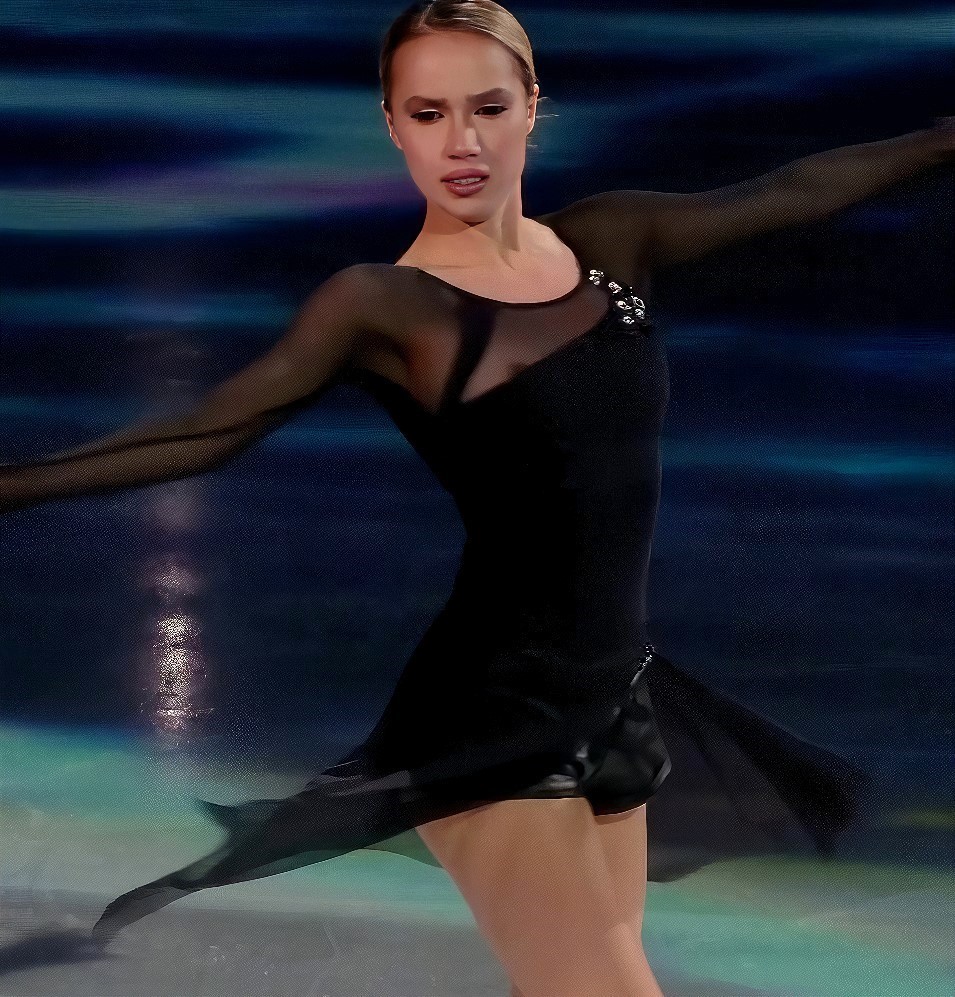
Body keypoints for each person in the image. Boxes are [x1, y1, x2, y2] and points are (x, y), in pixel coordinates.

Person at [2, 2, 951, 994]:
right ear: (392, 124)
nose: (461, 142)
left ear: (531, 107)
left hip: (617, 693)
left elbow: (792, 189)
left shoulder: (610, 240)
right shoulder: (385, 303)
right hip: (490, 715)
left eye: (487, 108)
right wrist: (12, 487)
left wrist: (937, 141)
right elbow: (207, 430)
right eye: (427, 113)